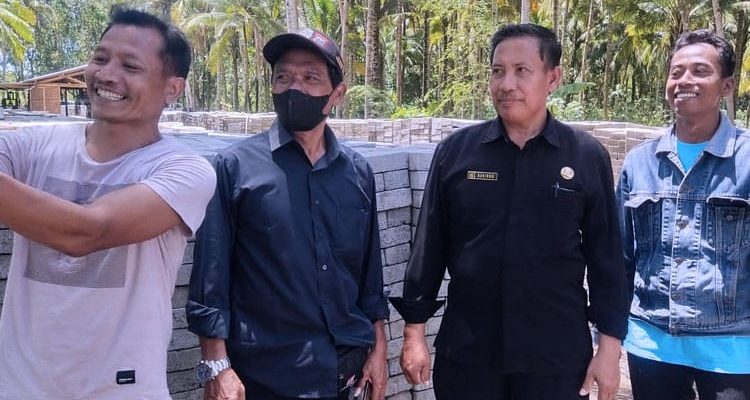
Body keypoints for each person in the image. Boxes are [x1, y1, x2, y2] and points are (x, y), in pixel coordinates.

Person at [390, 23, 629, 400]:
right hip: (469, 352)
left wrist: (610, 348)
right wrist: (414, 331)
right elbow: (429, 246)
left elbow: (607, 259)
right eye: (497, 71)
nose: (506, 84)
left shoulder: (585, 156)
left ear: (553, 78)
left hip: (555, 356)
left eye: (522, 71)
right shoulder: (457, 153)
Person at [0, 8, 216, 400]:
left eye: (130, 66)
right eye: (100, 59)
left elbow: (87, 232)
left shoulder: (184, 170)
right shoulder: (30, 146)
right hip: (18, 388)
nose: (107, 75)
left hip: (122, 390)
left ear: (173, 88)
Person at [186, 28, 389, 400]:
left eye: (310, 78)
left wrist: (379, 346)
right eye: (283, 77)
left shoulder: (357, 173)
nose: (294, 87)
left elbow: (368, 276)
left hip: (343, 369)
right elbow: (210, 277)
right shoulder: (234, 167)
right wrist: (217, 366)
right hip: (264, 374)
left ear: (337, 94)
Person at [618, 29, 750, 400]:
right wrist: (610, 334)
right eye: (676, 72)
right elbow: (621, 257)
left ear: (726, 86)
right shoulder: (640, 163)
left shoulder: (746, 160)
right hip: (651, 345)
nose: (684, 81)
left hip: (731, 350)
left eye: (700, 71)